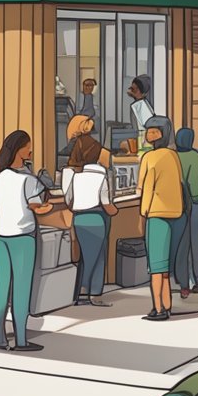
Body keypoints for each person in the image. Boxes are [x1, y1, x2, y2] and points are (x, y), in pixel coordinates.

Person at [0, 130, 53, 351]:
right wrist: (50, 204)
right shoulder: (28, 179)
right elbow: (39, 207)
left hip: (1, 235)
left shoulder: (0, 176)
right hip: (23, 237)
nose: (31, 150)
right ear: (19, 150)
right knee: (21, 288)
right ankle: (20, 340)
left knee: (2, 288)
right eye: (28, 147)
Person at [65, 129, 118, 307]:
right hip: (97, 219)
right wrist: (114, 211)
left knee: (84, 257)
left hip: (79, 219)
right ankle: (94, 294)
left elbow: (69, 200)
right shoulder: (101, 175)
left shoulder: (76, 176)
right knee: (98, 257)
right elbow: (106, 202)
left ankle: (80, 292)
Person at [138, 116, 184, 320]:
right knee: (165, 266)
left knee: (156, 266)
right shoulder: (174, 156)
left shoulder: (149, 157)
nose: (150, 134)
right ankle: (167, 304)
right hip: (175, 213)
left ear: (162, 134)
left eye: (154, 131)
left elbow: (145, 188)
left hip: (155, 214)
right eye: (148, 131)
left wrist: (142, 214)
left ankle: (158, 309)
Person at [174, 127, 198, 297]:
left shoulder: (173, 157)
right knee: (197, 244)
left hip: (184, 205)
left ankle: (184, 283)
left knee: (183, 244)